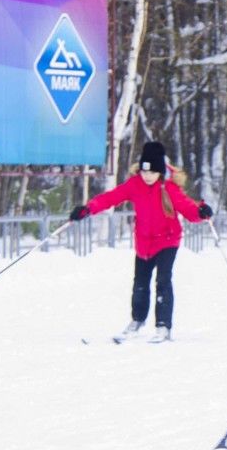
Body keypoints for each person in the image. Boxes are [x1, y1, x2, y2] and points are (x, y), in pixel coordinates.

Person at [70, 141, 213, 342]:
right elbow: (111, 197)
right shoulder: (134, 184)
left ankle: (163, 326)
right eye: (144, 172)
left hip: (167, 240)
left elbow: (187, 207)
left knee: (163, 281)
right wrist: (87, 209)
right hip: (144, 243)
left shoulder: (169, 188)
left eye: (152, 173)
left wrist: (200, 211)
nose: (147, 177)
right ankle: (137, 321)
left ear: (160, 172)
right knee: (140, 284)